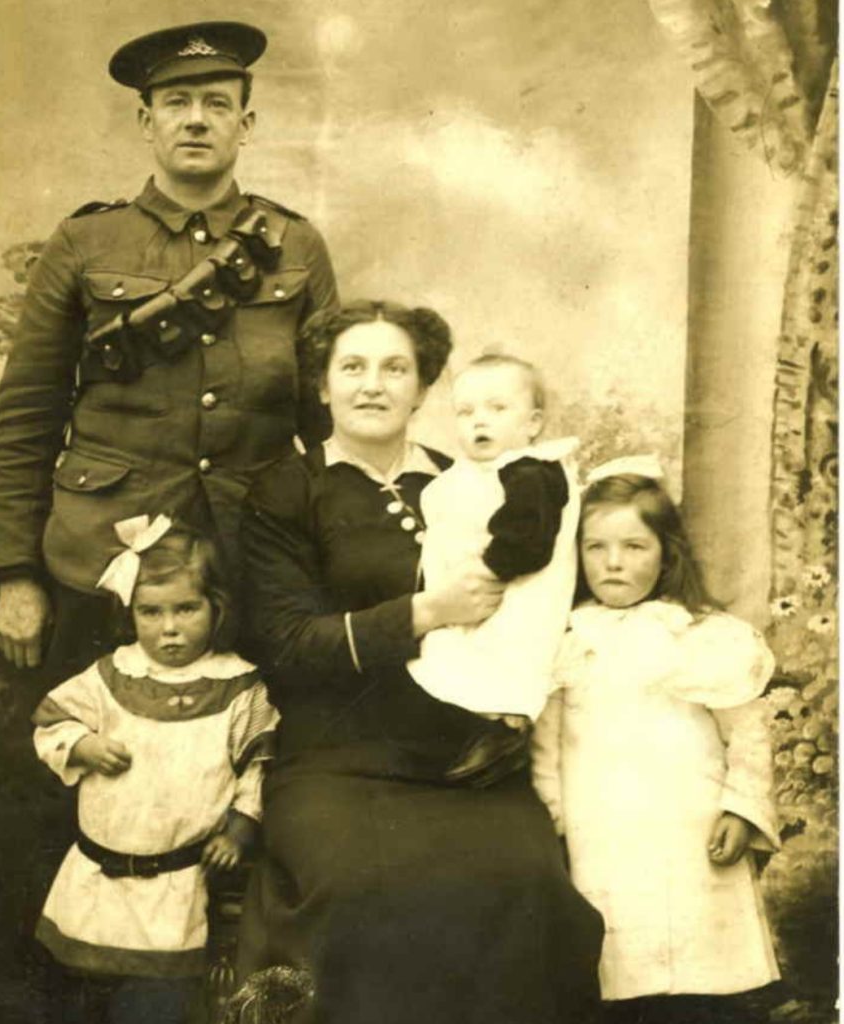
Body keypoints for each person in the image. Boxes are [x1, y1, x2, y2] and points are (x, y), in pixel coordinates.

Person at [238, 299, 604, 1024]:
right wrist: (426, 612)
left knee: (529, 884)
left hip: (465, 756)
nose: (373, 384)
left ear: (422, 386)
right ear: (321, 386)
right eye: (353, 367)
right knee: (360, 891)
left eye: (395, 368)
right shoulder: (287, 490)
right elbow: (286, 643)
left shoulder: (472, 477)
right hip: (338, 757)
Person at [0, 20, 338, 681]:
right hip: (100, 566)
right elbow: (27, 419)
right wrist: (16, 575)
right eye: (177, 104)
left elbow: (328, 425)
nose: (197, 121)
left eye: (217, 104)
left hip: (253, 558)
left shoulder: (296, 246)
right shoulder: (86, 243)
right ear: (147, 122)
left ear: (247, 123)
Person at [532, 456, 781, 1024]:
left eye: (634, 547)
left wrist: (740, 809)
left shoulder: (701, 636)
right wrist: (555, 826)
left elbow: (746, 733)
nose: (613, 562)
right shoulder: (569, 640)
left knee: (702, 975)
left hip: (688, 833)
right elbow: (545, 752)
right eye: (596, 547)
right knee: (621, 969)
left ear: (667, 551)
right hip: (604, 836)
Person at [32, 519, 278, 1023]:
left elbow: (257, 768)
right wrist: (83, 745)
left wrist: (238, 830)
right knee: (79, 993)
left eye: (186, 609)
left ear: (217, 607)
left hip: (175, 885)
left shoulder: (238, 687)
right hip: (96, 880)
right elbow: (50, 725)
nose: (168, 628)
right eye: (150, 612)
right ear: (131, 613)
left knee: (156, 1004)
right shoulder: (110, 675)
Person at [407, 352, 580, 725]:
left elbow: (527, 540)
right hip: (467, 598)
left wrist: (485, 570)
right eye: (465, 412)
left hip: (513, 590)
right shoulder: (465, 476)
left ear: (533, 423)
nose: (479, 420)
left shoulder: (532, 472)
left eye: (497, 408)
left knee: (502, 662)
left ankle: (502, 727)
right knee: (449, 660)